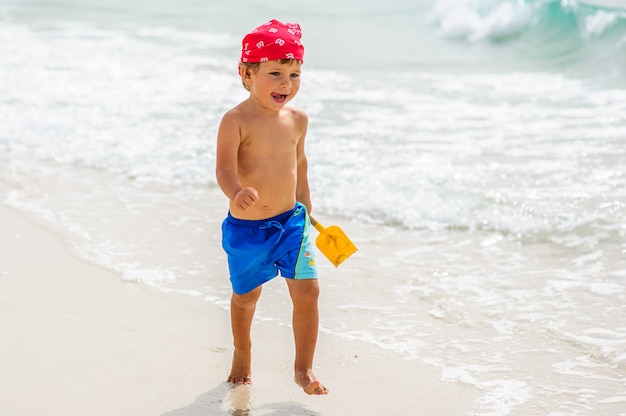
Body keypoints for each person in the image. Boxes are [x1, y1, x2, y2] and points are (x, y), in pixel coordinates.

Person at [215, 19, 329, 395]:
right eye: (276, 73)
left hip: (291, 225)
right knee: (247, 296)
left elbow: (300, 164)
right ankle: (242, 351)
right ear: (247, 74)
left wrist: (307, 208)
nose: (286, 84)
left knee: (308, 291)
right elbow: (225, 168)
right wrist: (235, 192)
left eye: (295, 74)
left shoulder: (298, 119)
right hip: (248, 230)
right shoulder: (236, 120)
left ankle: (303, 369)